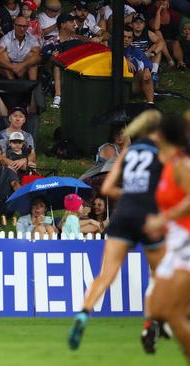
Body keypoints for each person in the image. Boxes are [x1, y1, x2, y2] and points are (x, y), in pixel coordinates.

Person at [68, 110, 166, 353]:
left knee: (106, 274)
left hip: (123, 216)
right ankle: (150, 322)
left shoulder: (127, 156)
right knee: (158, 274)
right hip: (146, 217)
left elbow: (109, 187)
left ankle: (82, 315)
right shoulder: (163, 158)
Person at [143, 112, 190, 360]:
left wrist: (164, 217)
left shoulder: (182, 165)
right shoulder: (168, 164)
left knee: (173, 310)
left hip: (187, 242)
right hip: (175, 241)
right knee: (163, 309)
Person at [0, 16, 42, 80]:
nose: (22, 29)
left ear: (27, 27)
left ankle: (32, 85)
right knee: (2, 54)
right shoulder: (6, 38)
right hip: (10, 68)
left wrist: (21, 66)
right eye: (19, 26)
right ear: (14, 26)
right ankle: (12, 82)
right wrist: (13, 67)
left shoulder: (32, 38)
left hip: (24, 68)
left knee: (33, 57)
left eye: (24, 26)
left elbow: (38, 57)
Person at [124, 27, 156, 104]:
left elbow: (146, 60)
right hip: (116, 84)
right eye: (124, 37)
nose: (126, 39)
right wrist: (124, 60)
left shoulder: (134, 50)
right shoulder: (111, 48)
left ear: (132, 39)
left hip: (131, 86)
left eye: (129, 37)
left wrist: (147, 69)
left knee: (144, 72)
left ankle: (150, 104)